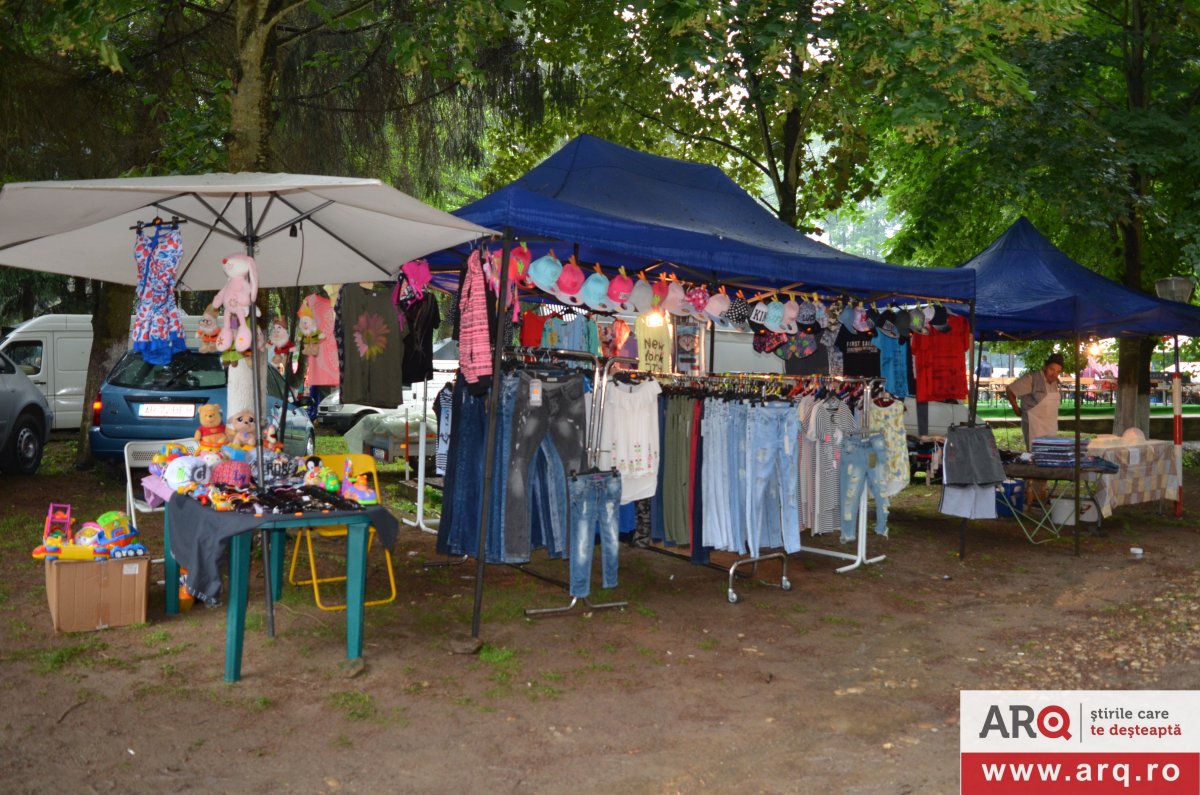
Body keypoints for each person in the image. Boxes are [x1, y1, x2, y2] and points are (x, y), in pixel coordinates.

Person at [1006, 353, 1065, 502]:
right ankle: (1030, 494)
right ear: (1045, 367)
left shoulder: (1055, 382)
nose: (1054, 374)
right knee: (1034, 458)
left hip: (1049, 424)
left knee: (1047, 458)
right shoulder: (1032, 378)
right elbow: (1010, 390)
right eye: (1052, 369)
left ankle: (1041, 494)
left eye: (1058, 371)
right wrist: (1016, 409)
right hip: (1033, 423)